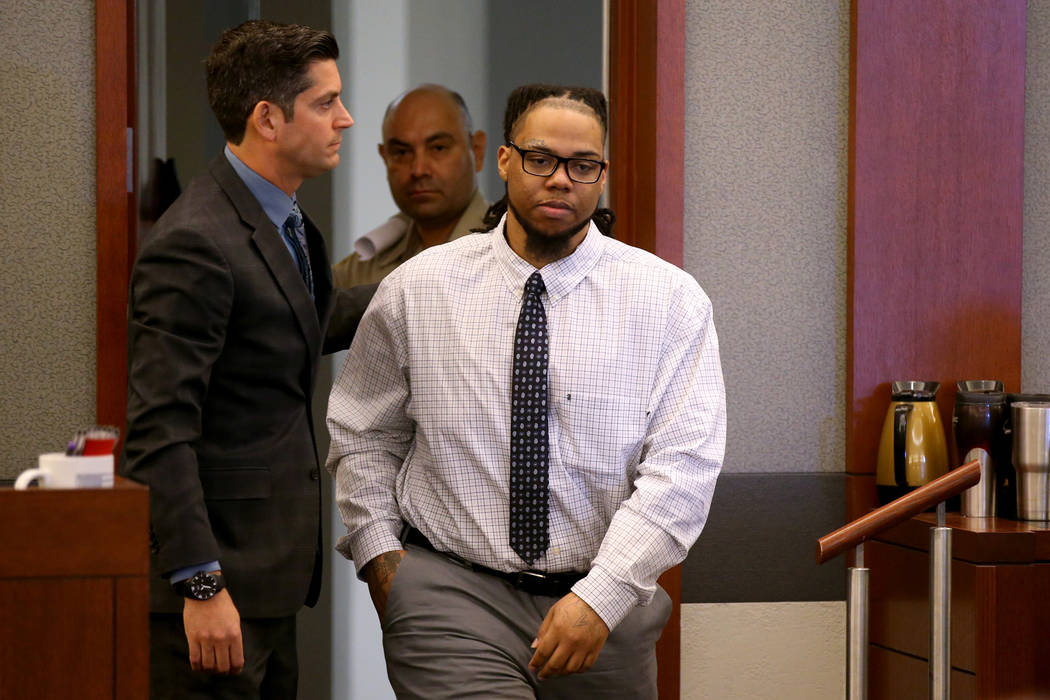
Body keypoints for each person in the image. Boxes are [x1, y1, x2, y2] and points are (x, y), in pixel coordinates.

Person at [326, 83, 726, 699]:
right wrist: (382, 560)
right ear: (505, 160)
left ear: (603, 174)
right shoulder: (417, 288)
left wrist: (603, 596)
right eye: (540, 159)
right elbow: (363, 434)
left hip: (604, 605)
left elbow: (685, 469)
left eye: (582, 165)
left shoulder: (669, 301)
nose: (560, 179)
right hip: (452, 600)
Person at [121, 20, 373, 699]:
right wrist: (200, 583)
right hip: (212, 591)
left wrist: (433, 280)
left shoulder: (286, 220)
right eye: (326, 103)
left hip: (270, 580)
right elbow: (157, 432)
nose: (345, 119)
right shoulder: (196, 241)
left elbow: (303, 323)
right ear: (268, 117)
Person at [331, 84, 488, 287]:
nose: (418, 169)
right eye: (402, 153)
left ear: (477, 151)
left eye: (438, 148)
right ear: (384, 157)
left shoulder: (514, 250)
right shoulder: (360, 272)